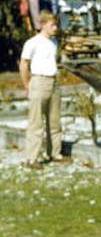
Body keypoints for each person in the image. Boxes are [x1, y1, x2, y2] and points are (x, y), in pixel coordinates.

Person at [19, 10, 68, 169]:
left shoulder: (54, 43)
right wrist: (27, 85)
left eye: (56, 25)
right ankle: (31, 159)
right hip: (38, 82)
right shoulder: (32, 43)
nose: (55, 28)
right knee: (36, 123)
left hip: (53, 82)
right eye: (52, 25)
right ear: (43, 24)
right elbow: (24, 65)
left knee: (54, 121)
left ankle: (54, 153)